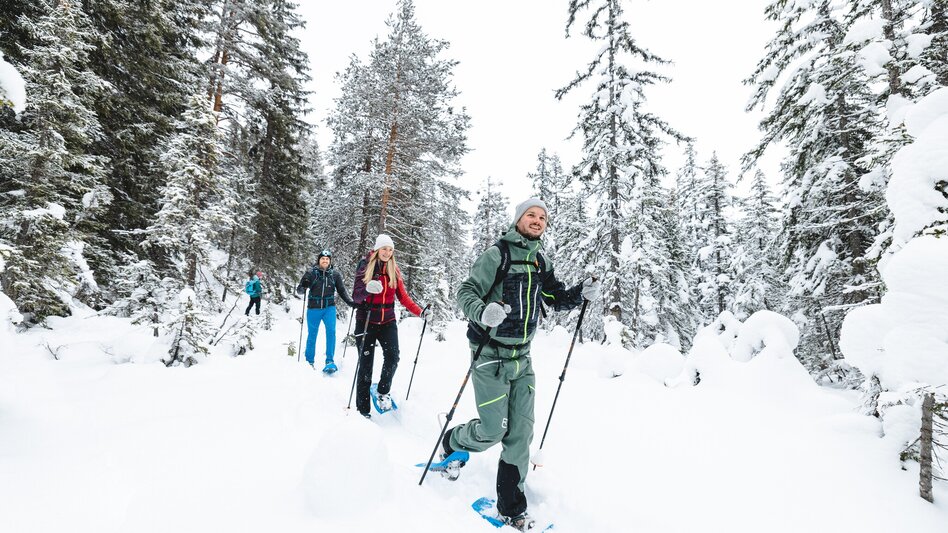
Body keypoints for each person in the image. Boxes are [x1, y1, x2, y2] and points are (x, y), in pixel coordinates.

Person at [442, 198, 600, 531]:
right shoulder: (496, 255)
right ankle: (453, 441)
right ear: (518, 220)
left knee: (520, 435)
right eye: (531, 215)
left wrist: (580, 294)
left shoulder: (540, 261)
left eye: (542, 217)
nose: (537, 220)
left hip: (522, 359)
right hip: (489, 355)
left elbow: (554, 297)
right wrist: (482, 312)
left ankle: (512, 509)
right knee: (491, 431)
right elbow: (466, 291)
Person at [351, 234, 424, 418]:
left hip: (387, 321)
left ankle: (383, 391)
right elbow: (356, 296)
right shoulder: (365, 267)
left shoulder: (394, 270)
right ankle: (363, 411)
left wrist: (420, 312)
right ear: (377, 249)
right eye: (384, 248)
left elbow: (403, 297)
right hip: (366, 319)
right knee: (366, 366)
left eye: (390, 250)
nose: (387, 252)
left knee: (393, 358)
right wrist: (367, 290)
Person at [296, 249, 356, 373]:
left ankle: (330, 361)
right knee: (312, 334)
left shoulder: (335, 274)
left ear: (330, 261)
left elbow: (342, 291)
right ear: (319, 260)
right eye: (322, 259)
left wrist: (350, 302)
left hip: (329, 308)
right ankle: (309, 360)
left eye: (327, 259)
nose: (325, 261)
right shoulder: (311, 273)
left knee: (331, 332)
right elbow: (299, 291)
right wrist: (304, 284)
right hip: (314, 308)